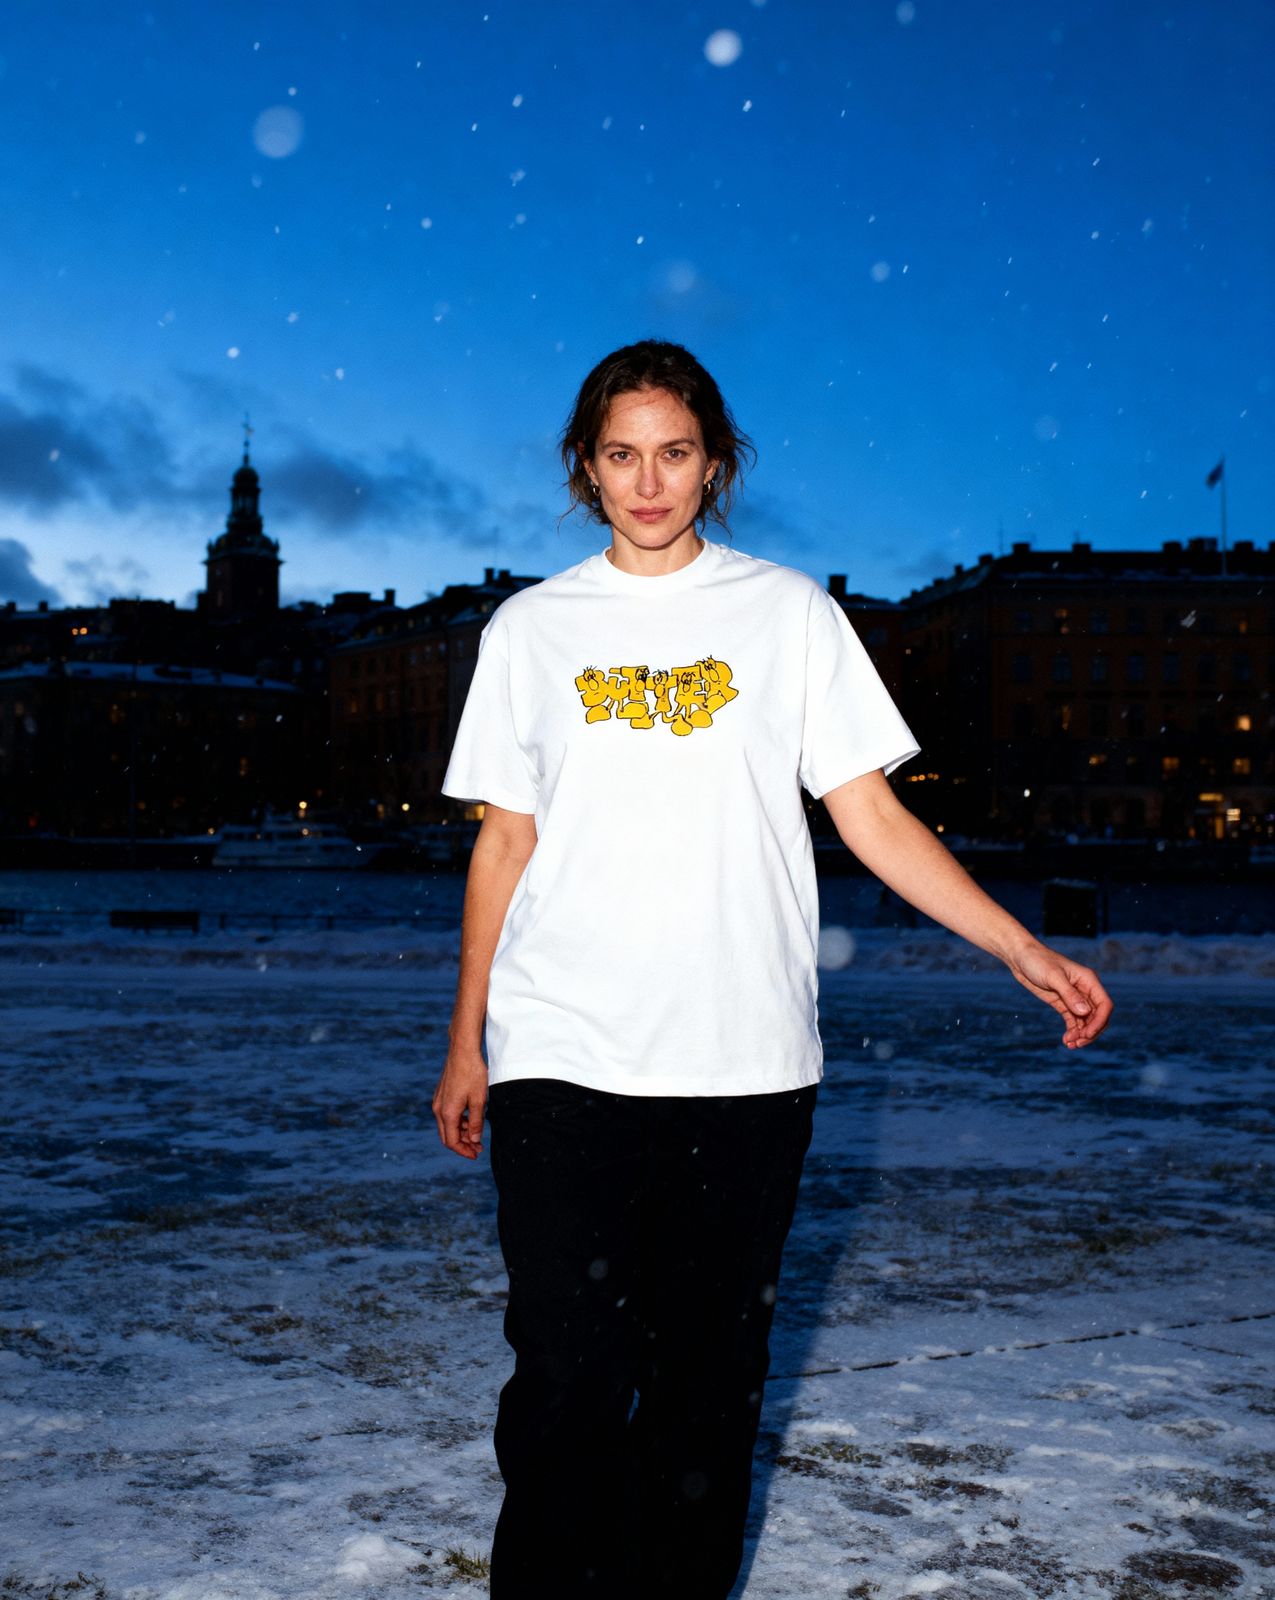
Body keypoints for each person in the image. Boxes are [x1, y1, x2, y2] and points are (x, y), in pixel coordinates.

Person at [433, 339, 1113, 1599]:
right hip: (564, 1060)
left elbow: (870, 813)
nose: (649, 482)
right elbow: (504, 844)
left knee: (703, 1395)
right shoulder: (532, 630)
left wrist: (1018, 943)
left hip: (743, 1066)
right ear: (587, 469)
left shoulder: (789, 614)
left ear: (715, 462)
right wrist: (467, 1037)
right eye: (623, 455)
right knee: (568, 1385)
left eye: (675, 454)